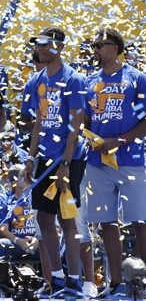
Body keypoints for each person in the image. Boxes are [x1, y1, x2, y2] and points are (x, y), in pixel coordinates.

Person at [21, 26, 86, 297]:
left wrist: (65, 165)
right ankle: (56, 279)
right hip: (45, 159)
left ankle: (75, 280)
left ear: (58, 46)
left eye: (44, 44)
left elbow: (76, 126)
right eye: (37, 44)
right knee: (43, 217)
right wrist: (30, 158)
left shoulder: (74, 79)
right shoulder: (35, 81)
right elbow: (37, 123)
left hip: (68, 159)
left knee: (67, 218)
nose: (38, 48)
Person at [83, 27, 146, 298]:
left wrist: (119, 141)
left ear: (116, 48)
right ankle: (117, 284)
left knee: (139, 221)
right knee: (105, 223)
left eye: (100, 45)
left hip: (130, 160)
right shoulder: (89, 81)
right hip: (98, 162)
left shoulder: (137, 78)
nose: (95, 50)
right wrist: (88, 138)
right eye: (94, 45)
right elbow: (85, 120)